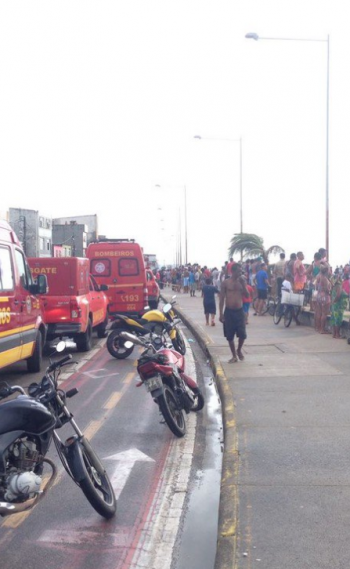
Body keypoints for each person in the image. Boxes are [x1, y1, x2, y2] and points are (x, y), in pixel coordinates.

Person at [219, 264, 249, 363]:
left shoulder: (242, 282)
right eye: (239, 271)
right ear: (233, 272)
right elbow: (222, 298)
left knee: (242, 334)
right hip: (229, 312)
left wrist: (244, 285)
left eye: (241, 271)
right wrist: (220, 313)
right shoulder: (226, 283)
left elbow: (247, 295)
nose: (240, 273)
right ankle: (234, 356)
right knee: (230, 335)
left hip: (239, 311)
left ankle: (239, 349)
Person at [314, 265, 331, 334]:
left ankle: (318, 327)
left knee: (319, 313)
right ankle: (322, 329)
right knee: (324, 314)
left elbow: (315, 285)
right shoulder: (324, 279)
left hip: (318, 295)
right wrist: (330, 289)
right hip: (325, 297)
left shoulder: (318, 277)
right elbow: (327, 289)